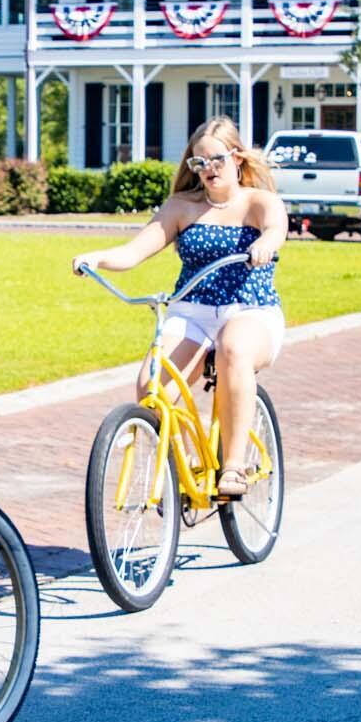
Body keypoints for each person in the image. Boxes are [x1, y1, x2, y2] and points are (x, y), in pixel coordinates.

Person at [71, 116, 288, 497]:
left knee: (233, 349)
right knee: (150, 385)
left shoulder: (259, 202)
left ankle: (234, 466)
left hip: (249, 309)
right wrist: (98, 258)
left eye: (216, 160)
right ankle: (184, 466)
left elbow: (275, 227)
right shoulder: (181, 207)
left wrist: (266, 244)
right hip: (193, 311)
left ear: (237, 158)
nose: (208, 170)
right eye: (198, 163)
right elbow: (135, 251)